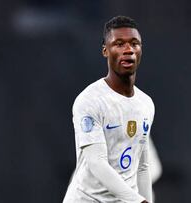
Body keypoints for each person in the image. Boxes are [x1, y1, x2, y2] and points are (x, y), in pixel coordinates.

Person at [63, 16, 154, 203]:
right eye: (119, 44)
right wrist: (138, 201)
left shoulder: (146, 103)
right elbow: (97, 163)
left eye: (134, 43)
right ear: (105, 50)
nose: (128, 50)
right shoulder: (90, 101)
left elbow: (143, 168)